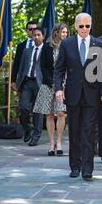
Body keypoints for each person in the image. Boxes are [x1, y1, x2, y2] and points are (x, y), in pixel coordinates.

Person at [54, 13, 102, 180]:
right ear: (75, 26)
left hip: (92, 96)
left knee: (89, 132)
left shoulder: (99, 44)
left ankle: (87, 168)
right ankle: (75, 166)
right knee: (75, 131)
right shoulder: (67, 44)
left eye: (87, 26)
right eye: (81, 26)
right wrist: (58, 89)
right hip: (72, 95)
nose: (84, 29)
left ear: (91, 26)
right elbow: (58, 69)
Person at [33, 23, 68, 156]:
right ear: (56, 33)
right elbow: (43, 67)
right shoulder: (47, 47)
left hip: (64, 85)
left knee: (60, 113)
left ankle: (59, 142)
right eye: (62, 32)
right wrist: (51, 82)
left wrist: (62, 83)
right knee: (49, 114)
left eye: (66, 32)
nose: (65, 34)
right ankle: (51, 143)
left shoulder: (69, 46)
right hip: (48, 84)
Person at [15, 27, 45, 146]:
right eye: (34, 35)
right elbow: (21, 68)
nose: (36, 37)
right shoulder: (27, 51)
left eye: (38, 35)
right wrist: (18, 84)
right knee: (23, 108)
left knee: (38, 111)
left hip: (40, 83)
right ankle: (27, 129)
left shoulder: (47, 50)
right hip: (27, 83)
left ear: (43, 36)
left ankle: (36, 136)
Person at [12, 21, 38, 87]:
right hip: (23, 81)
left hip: (38, 81)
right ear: (26, 31)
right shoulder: (21, 46)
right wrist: (13, 80)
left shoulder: (43, 45)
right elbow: (16, 64)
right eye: (30, 29)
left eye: (34, 29)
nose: (33, 31)